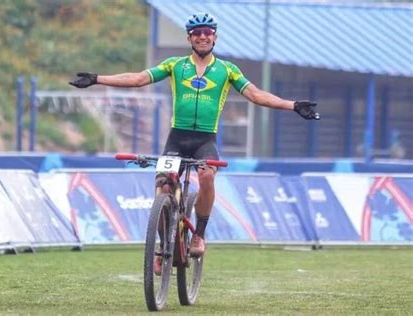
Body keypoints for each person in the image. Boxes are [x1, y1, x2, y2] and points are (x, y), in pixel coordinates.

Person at [70, 13, 320, 260]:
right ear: (190, 38)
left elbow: (255, 95)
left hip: (205, 141)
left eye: (207, 33)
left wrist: (293, 105)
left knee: (207, 176)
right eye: (197, 33)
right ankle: (161, 246)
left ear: (215, 38)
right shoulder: (175, 65)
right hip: (177, 139)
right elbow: (138, 79)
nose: (202, 37)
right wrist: (96, 79)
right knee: (163, 186)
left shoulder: (227, 70)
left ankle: (199, 234)